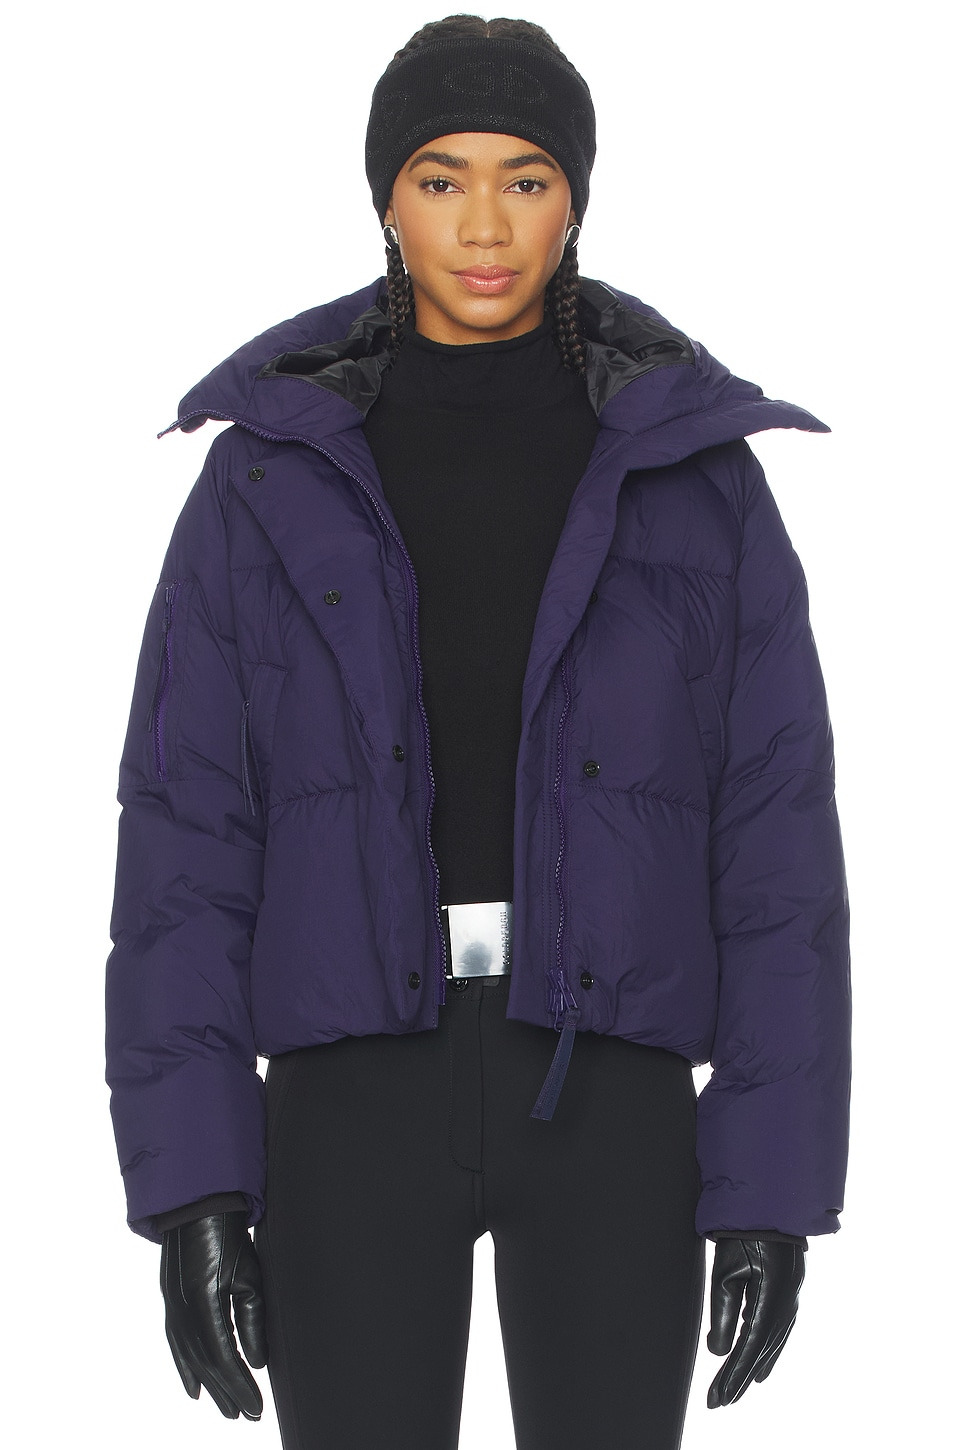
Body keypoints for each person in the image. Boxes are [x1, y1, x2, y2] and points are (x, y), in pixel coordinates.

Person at [104, 13, 852, 1449]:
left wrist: (768, 1181)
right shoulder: (267, 476)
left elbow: (777, 846)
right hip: (349, 1090)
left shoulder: (695, 477)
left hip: (609, 1082)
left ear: (577, 197)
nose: (487, 226)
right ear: (386, 197)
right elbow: (186, 839)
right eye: (442, 179)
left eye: (528, 178)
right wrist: (194, 1180)